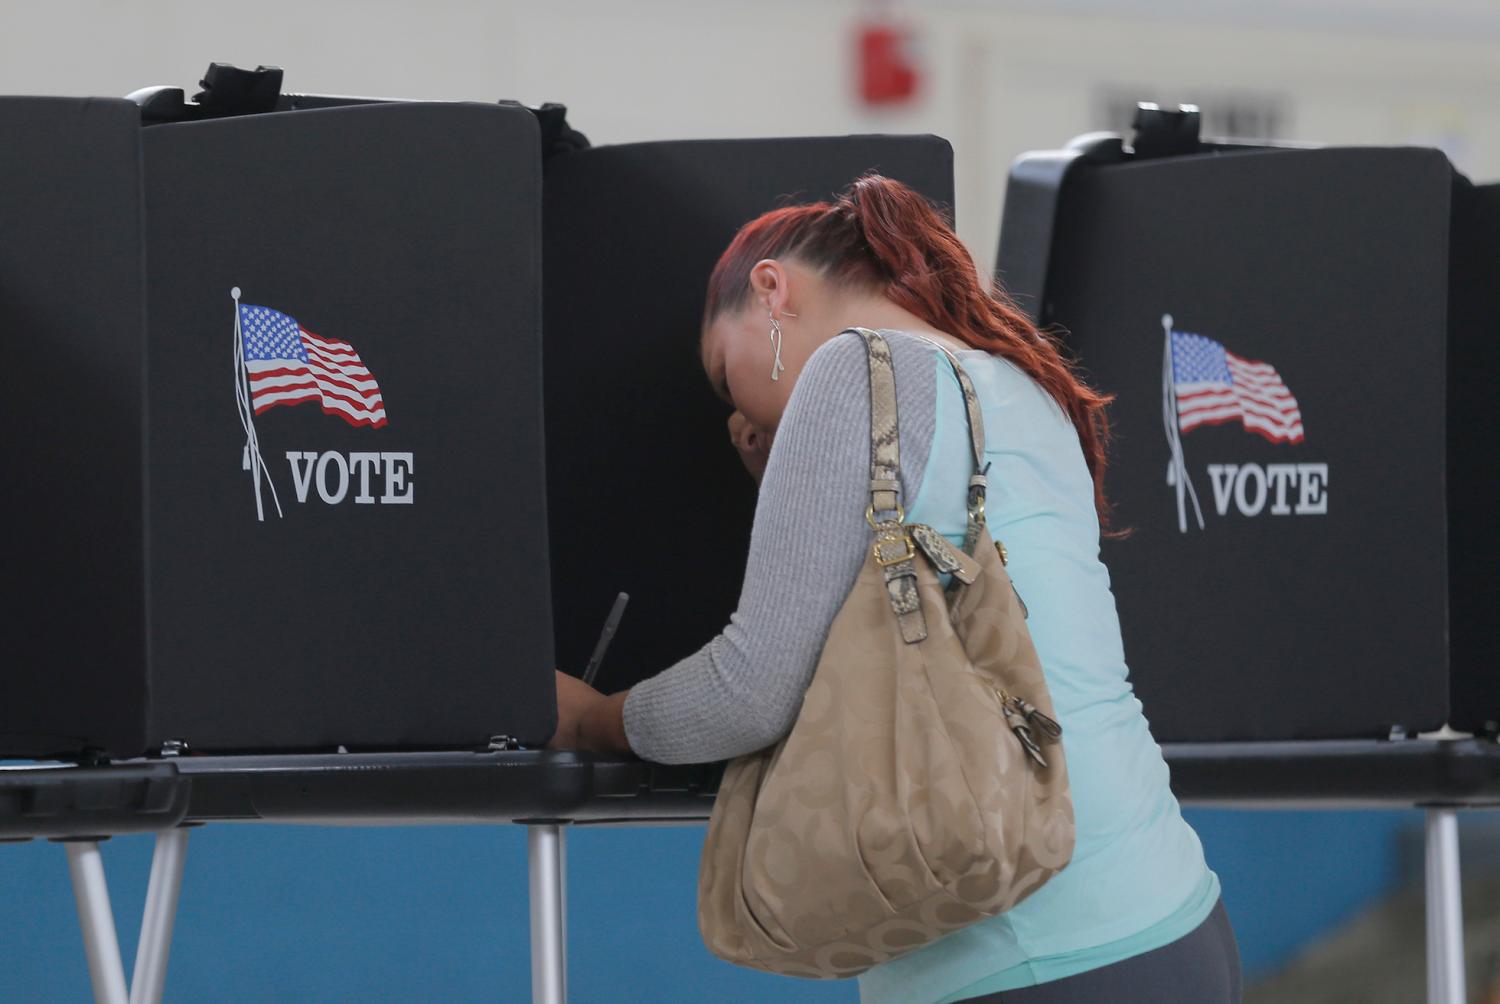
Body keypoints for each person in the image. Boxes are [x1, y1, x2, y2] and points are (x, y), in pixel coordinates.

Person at [546, 174, 1243, 1003]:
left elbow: (752, 692)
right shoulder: (1017, 380)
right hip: (1166, 916)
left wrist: (592, 719)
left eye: (726, 375)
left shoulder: (855, 369)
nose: (737, 413)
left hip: (1029, 954)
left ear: (773, 290)